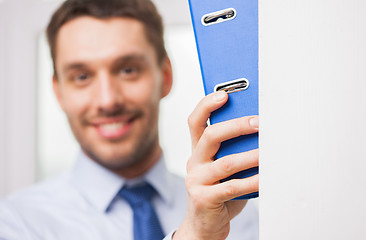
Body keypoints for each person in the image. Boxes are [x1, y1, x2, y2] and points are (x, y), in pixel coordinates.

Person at [0, 0, 259, 239]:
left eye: (128, 70)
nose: (108, 100)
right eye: (81, 77)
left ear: (165, 76)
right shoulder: (15, 223)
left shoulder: (243, 218)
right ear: (59, 92)